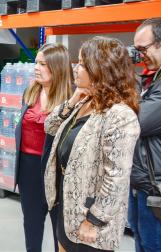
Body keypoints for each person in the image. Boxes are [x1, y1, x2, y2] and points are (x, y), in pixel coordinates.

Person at [44, 36, 140, 252]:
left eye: (83, 64)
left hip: (90, 222)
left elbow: (117, 177)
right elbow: (49, 126)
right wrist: (73, 99)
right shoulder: (86, 101)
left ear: (101, 70)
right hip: (67, 209)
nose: (76, 69)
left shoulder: (120, 115)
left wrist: (94, 220)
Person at [15, 43, 73, 252]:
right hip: (28, 167)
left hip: (56, 169)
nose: (36, 68)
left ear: (57, 68)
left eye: (42, 64)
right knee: (31, 222)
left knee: (60, 226)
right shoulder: (29, 92)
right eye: (36, 63)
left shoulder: (71, 99)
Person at [129, 17, 161, 252]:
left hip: (155, 189)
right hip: (141, 182)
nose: (140, 56)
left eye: (143, 49)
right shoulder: (153, 77)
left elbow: (137, 122)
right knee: (141, 241)